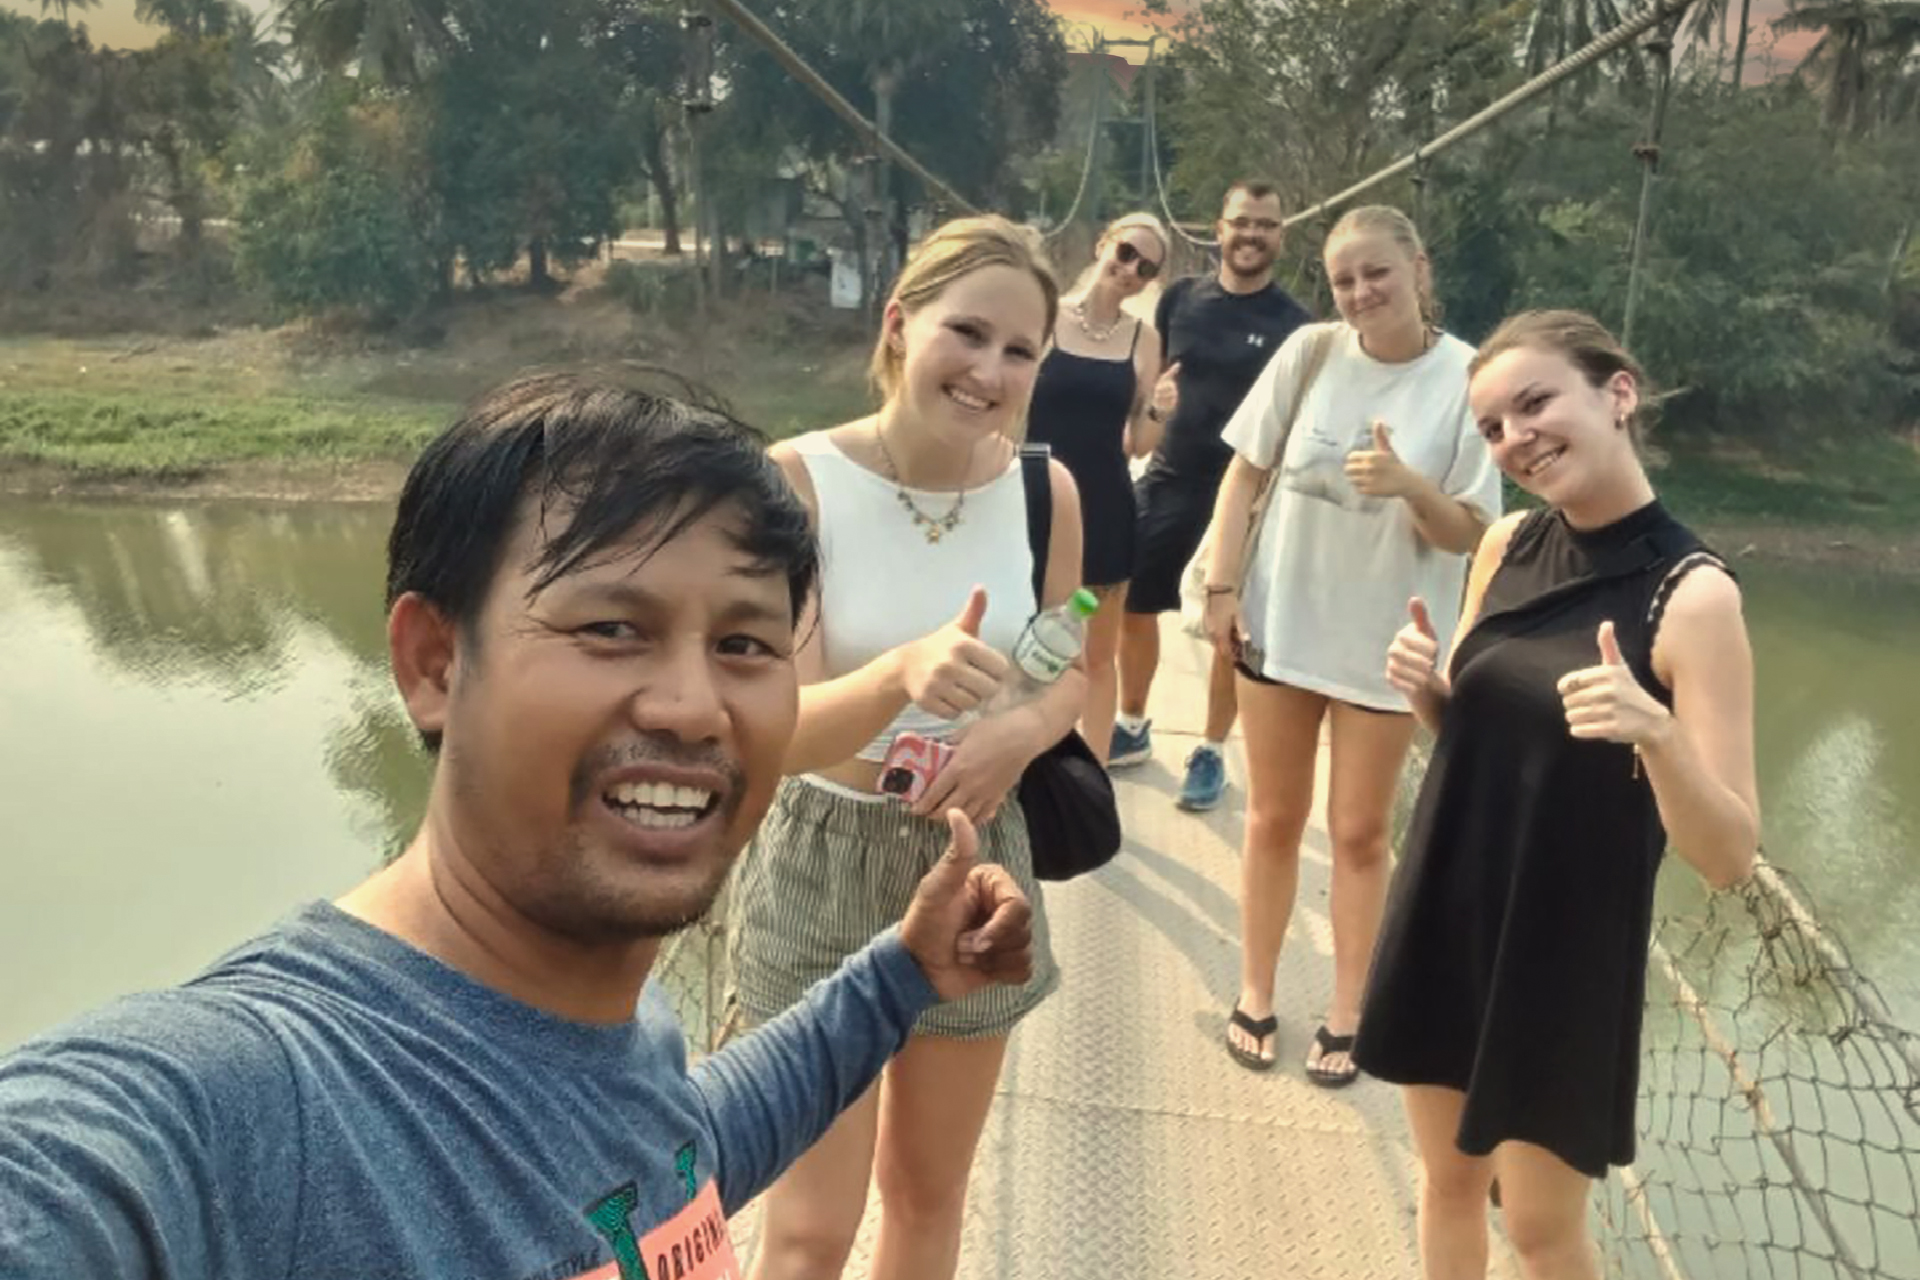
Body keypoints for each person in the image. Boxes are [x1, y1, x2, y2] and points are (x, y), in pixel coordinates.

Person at [0, 374, 1040, 1279]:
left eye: (744, 642)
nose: (691, 705)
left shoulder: (625, 1023)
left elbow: (669, 1151)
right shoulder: (258, 1100)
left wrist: (902, 973)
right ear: (434, 663)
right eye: (611, 628)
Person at [1355, 310, 1760, 1280]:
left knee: (1541, 1232)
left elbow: (1729, 854)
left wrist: (1656, 730)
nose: (1516, 439)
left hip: (1565, 947)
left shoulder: (1693, 597)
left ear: (1617, 393)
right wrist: (1432, 697)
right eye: (1493, 426)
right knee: (1447, 1184)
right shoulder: (1502, 543)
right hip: (1451, 897)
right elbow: (1488, 737)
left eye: (1535, 403)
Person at [726, 216, 1083, 1280]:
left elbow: (1074, 669)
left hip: (974, 861)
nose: (990, 370)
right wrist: (897, 674)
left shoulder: (1040, 489)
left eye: (1020, 351)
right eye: (966, 332)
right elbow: (768, 731)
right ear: (898, 323)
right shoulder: (793, 482)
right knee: (809, 1228)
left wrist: (1015, 734)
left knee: (927, 1200)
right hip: (824, 852)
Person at [1203, 204, 1500, 1084]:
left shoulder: (1470, 376)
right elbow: (1243, 474)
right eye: (1344, 279)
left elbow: (1467, 535)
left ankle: (1348, 1009)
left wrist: (1410, 483)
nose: (1362, 292)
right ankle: (1255, 991)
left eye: (1378, 271)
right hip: (1280, 620)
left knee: (1361, 831)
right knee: (1270, 817)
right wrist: (1221, 589)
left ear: (1418, 265)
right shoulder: (1311, 353)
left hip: (1386, 643)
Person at [1111, 180, 1312, 811]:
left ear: (1281, 236)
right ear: (1218, 229)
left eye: (1266, 225)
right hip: (1172, 475)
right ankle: (1134, 721)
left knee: (1228, 627)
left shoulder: (1296, 325)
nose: (1252, 235)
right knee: (1130, 602)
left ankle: (1211, 750)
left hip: (1245, 496)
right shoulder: (1179, 300)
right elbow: (1156, 384)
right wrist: (1148, 413)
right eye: (1241, 222)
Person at [1027, 211, 1179, 766]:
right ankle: (1022, 763)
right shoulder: (1043, 316)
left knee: (1094, 655)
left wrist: (1161, 408)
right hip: (1030, 504)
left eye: (1146, 267)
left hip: (1103, 514)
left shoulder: (1143, 338)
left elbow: (1138, 443)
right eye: (1125, 253)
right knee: (1020, 643)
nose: (1131, 270)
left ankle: (1090, 779)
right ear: (1102, 244)